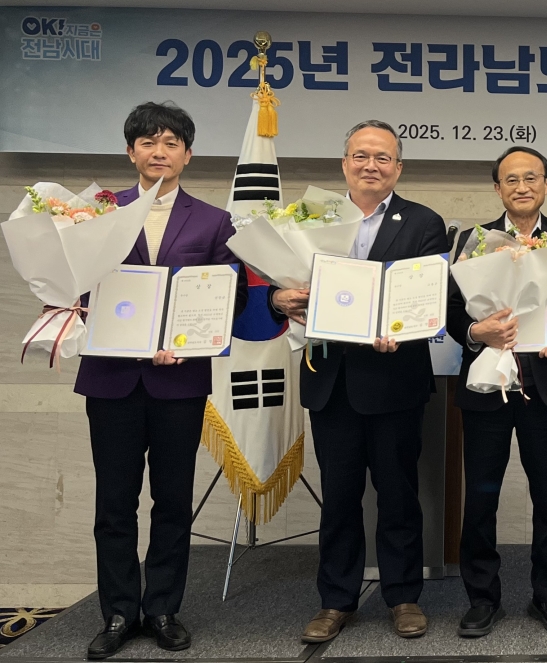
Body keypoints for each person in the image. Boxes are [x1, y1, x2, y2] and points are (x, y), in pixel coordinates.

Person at [269, 120, 450, 643]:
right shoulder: (311, 220)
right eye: (361, 155)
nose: (371, 165)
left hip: (395, 379)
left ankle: (403, 596)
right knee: (339, 497)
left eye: (383, 157)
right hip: (332, 381)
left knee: (399, 494)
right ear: (344, 162)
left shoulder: (424, 222)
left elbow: (431, 297)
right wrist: (278, 299)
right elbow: (281, 286)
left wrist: (403, 329)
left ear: (399, 167)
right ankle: (336, 600)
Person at [78, 102, 245, 659]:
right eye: (148, 142)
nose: (159, 152)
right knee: (114, 503)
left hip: (179, 381)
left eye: (171, 143)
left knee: (172, 500)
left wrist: (188, 341)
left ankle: (163, 609)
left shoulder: (213, 221)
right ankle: (118, 612)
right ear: (131, 152)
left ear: (187, 155)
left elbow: (229, 297)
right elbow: (78, 285)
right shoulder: (98, 213)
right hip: (112, 378)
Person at [446, 146, 547, 637]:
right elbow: (452, 312)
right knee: (480, 496)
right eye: (511, 179)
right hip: (486, 384)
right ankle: (482, 598)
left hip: (544, 383)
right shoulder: (473, 241)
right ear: (497, 188)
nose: (522, 187)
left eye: (531, 178)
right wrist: (476, 331)